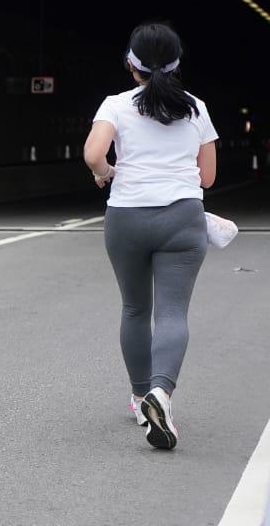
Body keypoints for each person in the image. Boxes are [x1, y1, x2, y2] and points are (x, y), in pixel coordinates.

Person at [82, 22, 217, 450]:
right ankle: (162, 392)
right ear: (177, 64)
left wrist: (106, 171)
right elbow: (208, 177)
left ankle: (141, 397)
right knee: (173, 313)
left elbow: (93, 154)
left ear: (130, 63)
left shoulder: (115, 105)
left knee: (135, 309)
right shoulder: (196, 108)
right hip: (182, 217)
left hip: (127, 217)